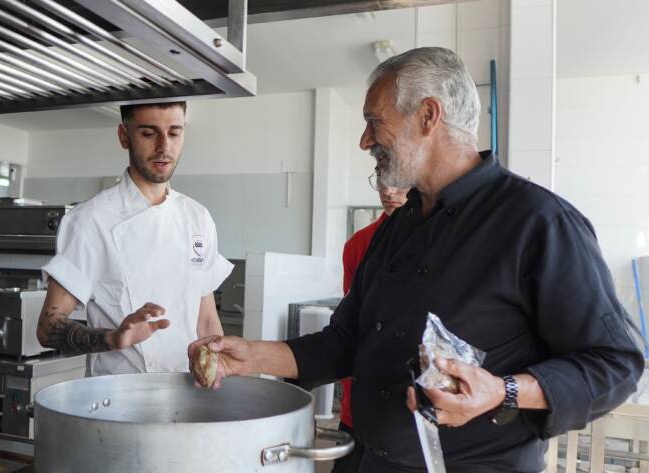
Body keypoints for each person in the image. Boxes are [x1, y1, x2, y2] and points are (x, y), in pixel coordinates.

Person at [189, 47, 643, 473]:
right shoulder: (397, 226)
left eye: (373, 121)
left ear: (428, 115)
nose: (365, 140)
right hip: (372, 459)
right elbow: (345, 342)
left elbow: (615, 364)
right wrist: (251, 357)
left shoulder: (538, 222)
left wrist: (502, 391)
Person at [38, 101, 233, 376]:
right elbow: (48, 328)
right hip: (117, 401)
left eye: (174, 133)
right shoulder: (90, 219)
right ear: (123, 136)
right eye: (149, 133)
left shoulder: (198, 217)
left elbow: (207, 320)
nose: (164, 147)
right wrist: (112, 338)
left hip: (189, 393)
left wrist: (219, 379)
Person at [334, 176, 408, 473]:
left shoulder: (446, 241)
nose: (389, 192)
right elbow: (353, 326)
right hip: (359, 403)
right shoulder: (358, 245)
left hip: (411, 411)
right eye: (381, 181)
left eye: (400, 183)